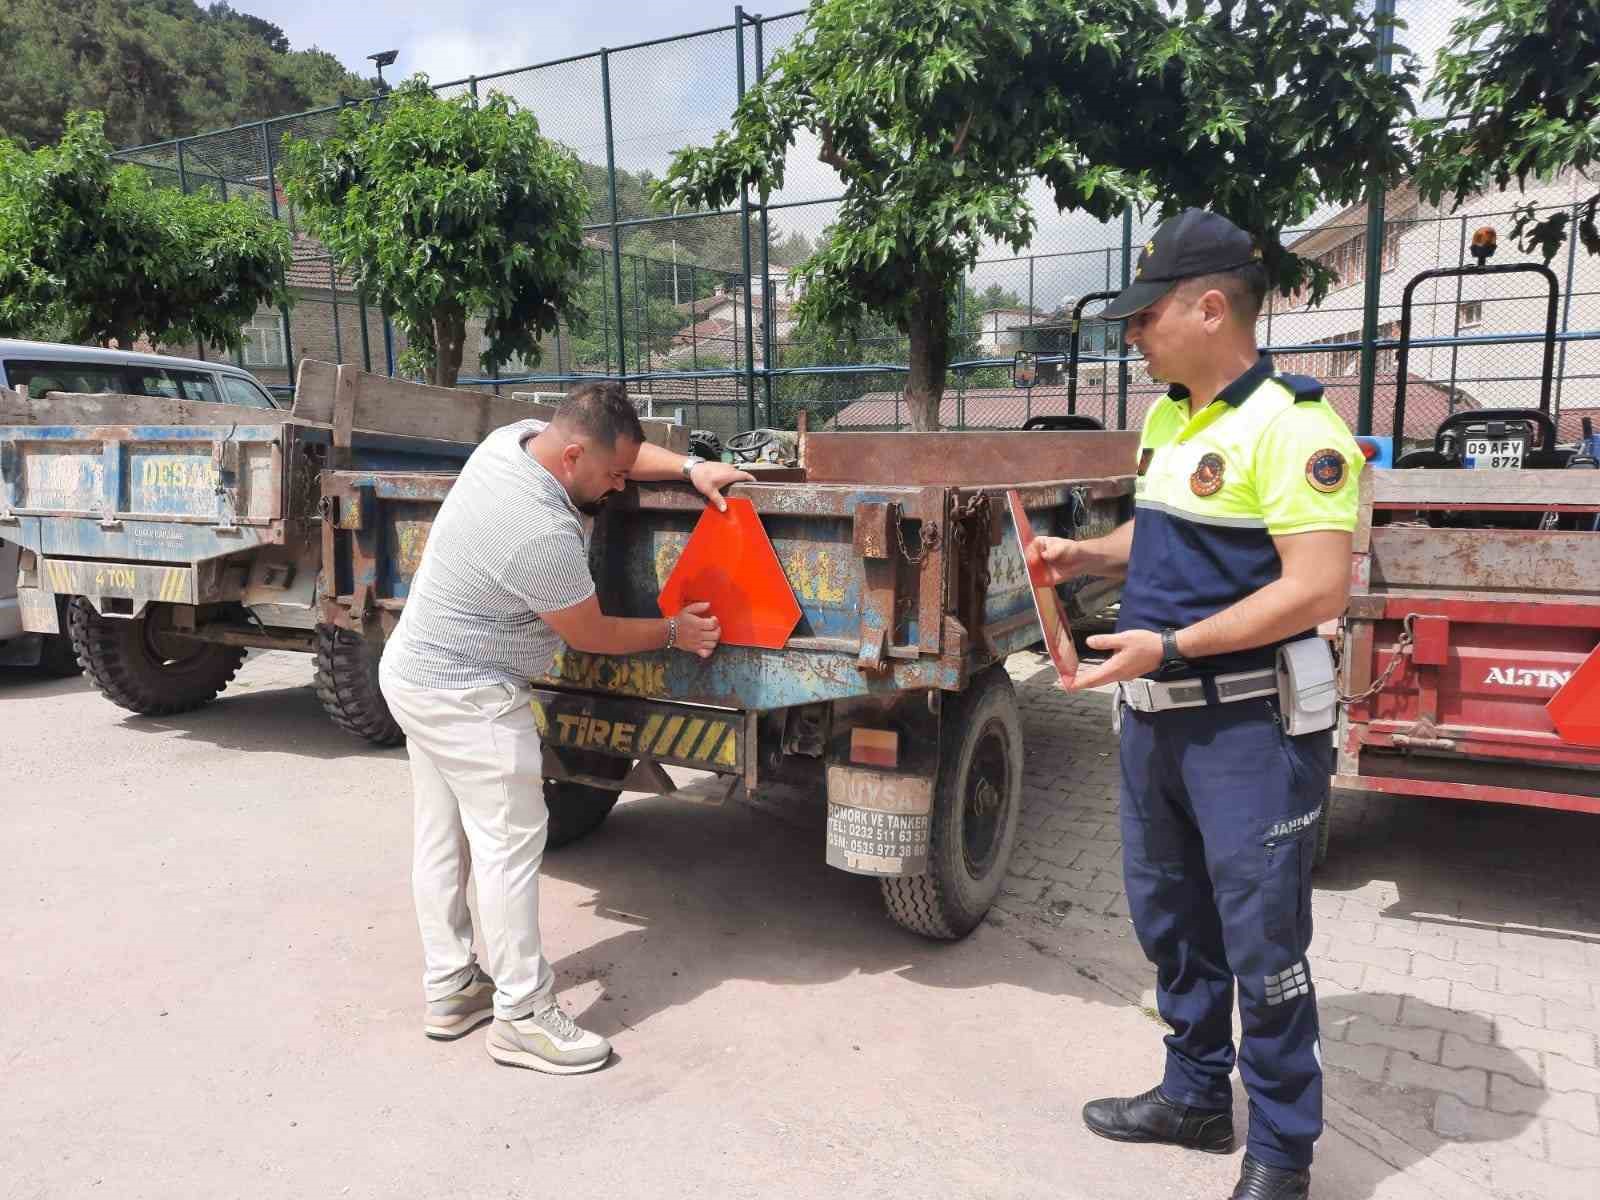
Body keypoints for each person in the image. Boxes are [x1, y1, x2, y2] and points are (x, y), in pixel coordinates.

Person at [1027, 209, 1360, 1200]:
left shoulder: (1295, 424)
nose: (1133, 335)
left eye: (1146, 316)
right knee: (1170, 920)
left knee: (1263, 944)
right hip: (1156, 720)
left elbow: (1315, 590)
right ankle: (1194, 1095)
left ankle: (1281, 1154)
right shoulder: (1175, 417)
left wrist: (1168, 645)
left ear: (1210, 307)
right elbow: (1170, 534)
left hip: (1248, 728)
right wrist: (1085, 554)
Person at [378, 381, 753, 1075]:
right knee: (509, 846)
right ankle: (522, 1015)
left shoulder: (513, 442)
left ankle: (453, 987)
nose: (617, 489)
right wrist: (674, 631)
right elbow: (592, 634)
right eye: (610, 478)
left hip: (415, 670)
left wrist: (690, 468)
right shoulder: (539, 529)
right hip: (467, 693)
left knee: (443, 837)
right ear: (573, 455)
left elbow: (622, 454)